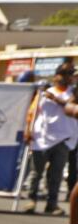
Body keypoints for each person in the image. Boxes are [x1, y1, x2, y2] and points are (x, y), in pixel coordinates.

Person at [23, 63, 76, 213]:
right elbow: (32, 113)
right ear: (56, 76)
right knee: (36, 172)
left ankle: (51, 204)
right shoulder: (43, 93)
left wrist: (54, 99)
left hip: (63, 139)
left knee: (56, 174)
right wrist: (28, 130)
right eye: (65, 74)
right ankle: (31, 200)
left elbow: (70, 106)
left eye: (70, 74)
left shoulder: (74, 92)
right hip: (41, 138)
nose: (69, 77)